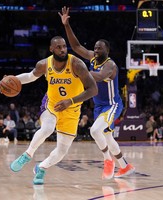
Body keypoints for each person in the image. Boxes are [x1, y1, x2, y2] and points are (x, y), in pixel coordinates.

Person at [2, 36, 97, 185]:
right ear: (51, 49)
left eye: (64, 46)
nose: (62, 49)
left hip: (72, 109)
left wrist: (70, 101)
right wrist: (12, 79)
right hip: (51, 104)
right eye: (58, 47)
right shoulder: (44, 64)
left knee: (61, 151)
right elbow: (29, 77)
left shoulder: (77, 64)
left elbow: (93, 89)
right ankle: (27, 155)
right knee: (47, 128)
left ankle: (41, 168)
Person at [59, 7, 135, 179]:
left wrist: (80, 70)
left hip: (112, 105)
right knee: (108, 138)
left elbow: (99, 77)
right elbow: (76, 46)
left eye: (100, 48)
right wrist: (67, 25)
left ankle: (107, 160)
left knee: (94, 131)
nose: (96, 50)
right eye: (95, 48)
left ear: (107, 50)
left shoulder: (110, 65)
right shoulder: (93, 58)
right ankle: (125, 166)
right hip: (99, 106)